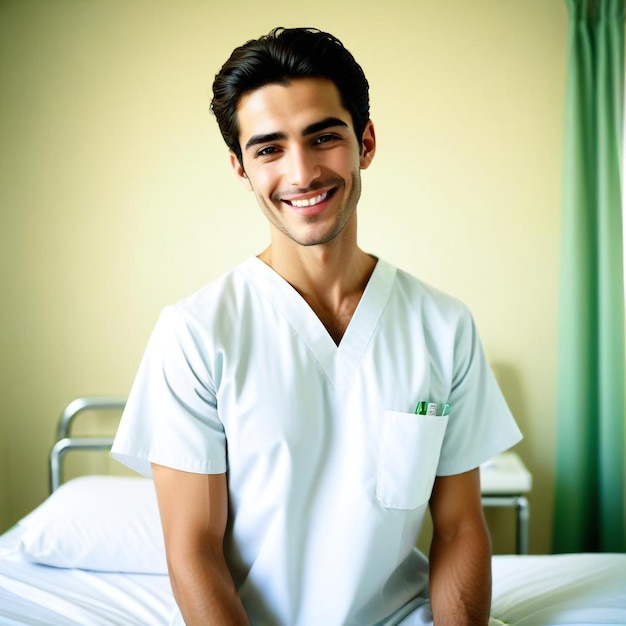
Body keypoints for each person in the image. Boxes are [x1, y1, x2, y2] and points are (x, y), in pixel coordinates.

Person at [111, 27, 522, 626]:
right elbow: (193, 552)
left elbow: (460, 528)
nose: (302, 173)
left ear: (366, 142)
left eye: (323, 137)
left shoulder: (443, 325)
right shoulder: (196, 334)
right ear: (241, 168)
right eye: (269, 148)